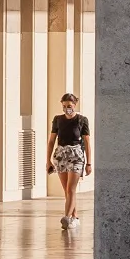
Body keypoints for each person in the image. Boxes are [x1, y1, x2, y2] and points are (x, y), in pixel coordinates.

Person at [50, 92, 92, 229]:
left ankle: (66, 218)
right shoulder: (57, 120)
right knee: (66, 191)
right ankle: (75, 217)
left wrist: (89, 163)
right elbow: (51, 141)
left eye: (69, 105)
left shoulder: (82, 120)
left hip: (76, 156)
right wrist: (48, 160)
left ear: (75, 105)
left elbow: (87, 142)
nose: (67, 108)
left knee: (71, 189)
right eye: (64, 106)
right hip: (61, 155)